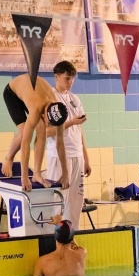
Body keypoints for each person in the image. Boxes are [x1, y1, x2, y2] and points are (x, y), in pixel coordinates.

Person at [2, 74, 70, 192]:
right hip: (13, 92)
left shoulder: (59, 112)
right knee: (24, 133)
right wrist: (24, 177)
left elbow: (60, 144)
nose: (49, 125)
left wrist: (65, 173)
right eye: (49, 122)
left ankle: (37, 174)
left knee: (42, 130)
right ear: (45, 112)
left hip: (31, 92)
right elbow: (26, 143)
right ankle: (8, 158)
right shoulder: (36, 108)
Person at [46, 61, 91, 230]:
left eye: (72, 78)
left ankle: (72, 236)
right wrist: (71, 122)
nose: (70, 82)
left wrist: (86, 159)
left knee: (76, 201)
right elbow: (47, 132)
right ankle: (56, 238)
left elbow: (79, 131)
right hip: (58, 157)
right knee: (58, 200)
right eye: (67, 78)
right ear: (56, 76)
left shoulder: (74, 99)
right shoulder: (50, 98)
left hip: (77, 155)